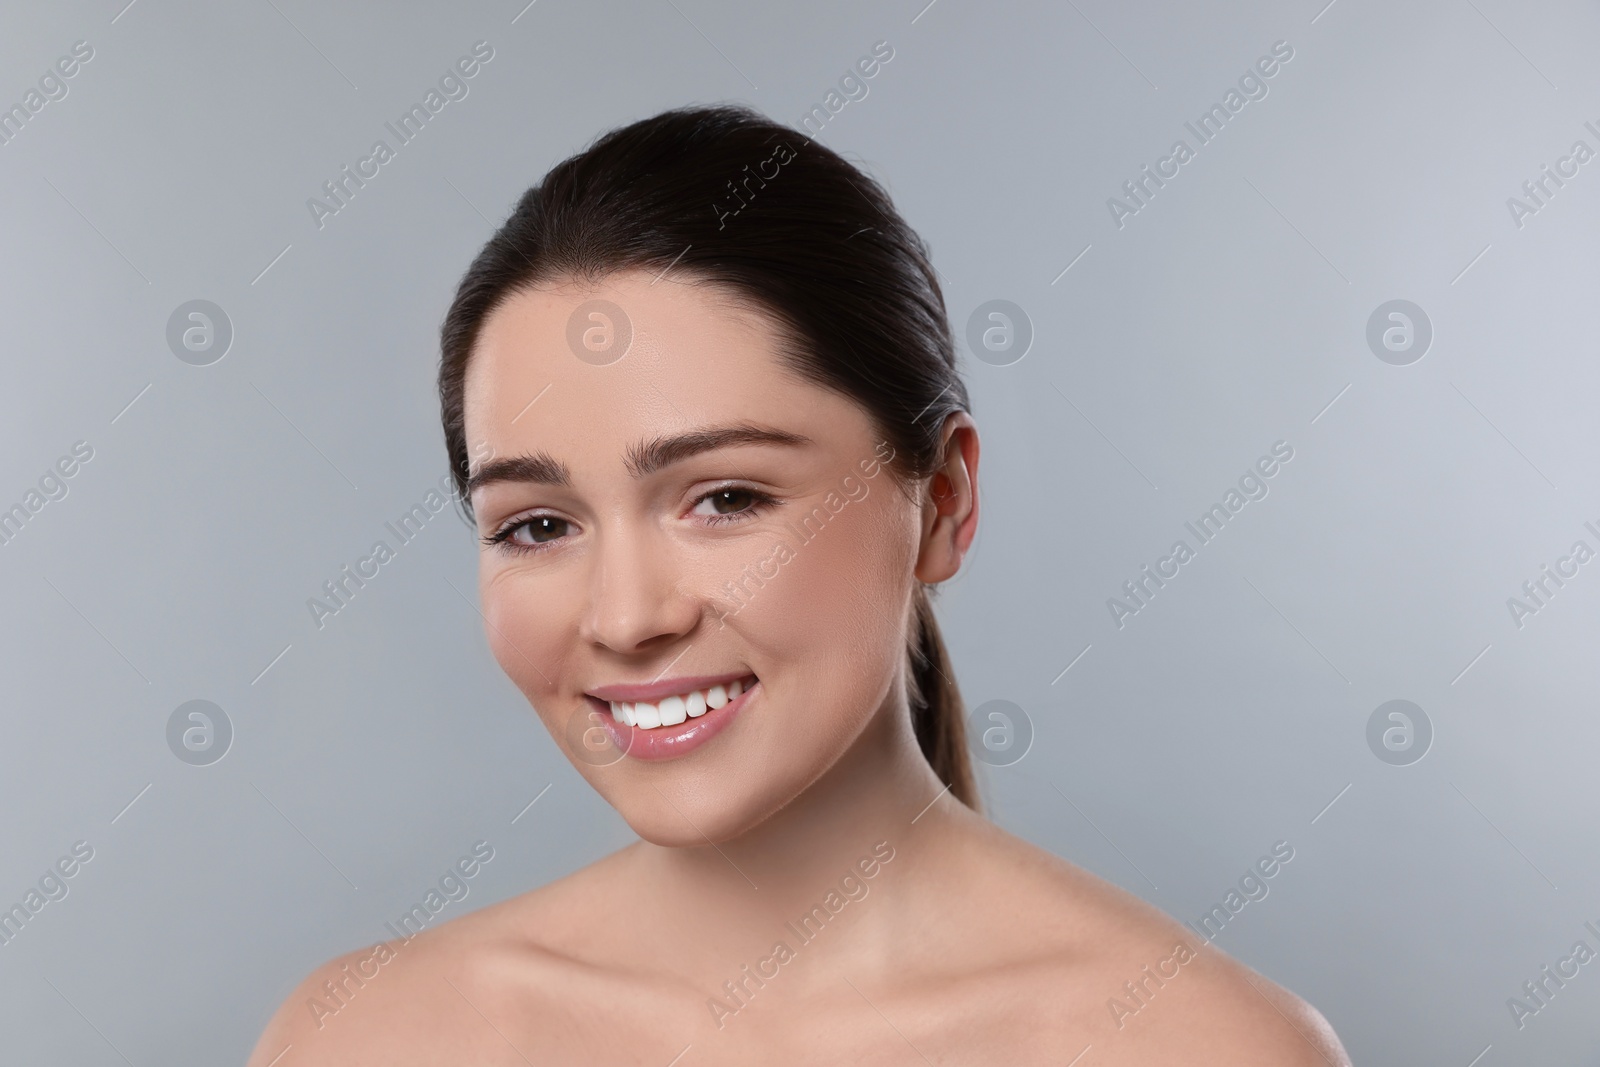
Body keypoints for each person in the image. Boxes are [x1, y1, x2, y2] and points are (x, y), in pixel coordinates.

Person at [248, 104, 1350, 1065]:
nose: (628, 617)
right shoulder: (363, 1037)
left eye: (725, 497)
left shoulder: (1197, 1047)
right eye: (539, 523)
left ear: (943, 499)